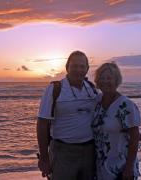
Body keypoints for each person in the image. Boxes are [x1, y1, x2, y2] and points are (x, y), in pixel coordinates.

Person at [37, 51, 101, 180]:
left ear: (87, 69)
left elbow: (106, 111)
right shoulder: (55, 89)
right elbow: (42, 124)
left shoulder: (92, 89)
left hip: (89, 151)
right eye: (74, 66)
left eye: (82, 66)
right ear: (67, 67)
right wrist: (44, 158)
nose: (78, 70)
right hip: (62, 152)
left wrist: (128, 129)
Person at [92, 62, 141, 180]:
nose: (105, 81)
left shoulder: (125, 105)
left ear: (116, 80)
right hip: (100, 167)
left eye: (109, 78)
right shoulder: (97, 102)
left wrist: (129, 167)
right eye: (102, 78)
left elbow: (135, 137)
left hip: (121, 168)